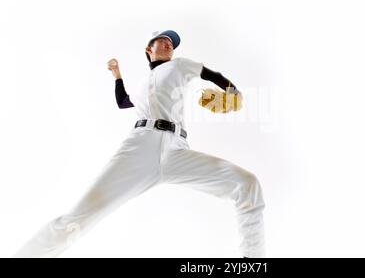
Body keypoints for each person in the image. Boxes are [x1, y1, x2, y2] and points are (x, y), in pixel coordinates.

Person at [13, 30, 266, 258]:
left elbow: (213, 75)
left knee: (248, 184)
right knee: (77, 219)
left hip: (177, 150)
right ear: (149, 49)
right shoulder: (144, 87)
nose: (168, 44)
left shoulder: (180, 65)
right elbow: (123, 102)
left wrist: (234, 93)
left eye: (171, 43)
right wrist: (117, 75)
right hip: (139, 148)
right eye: (162, 41)